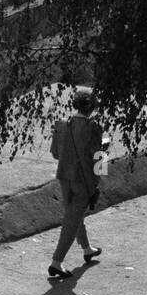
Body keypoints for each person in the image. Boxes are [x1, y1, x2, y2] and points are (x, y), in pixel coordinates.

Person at [48, 88, 105, 278]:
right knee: (72, 220)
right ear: (91, 108)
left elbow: (55, 153)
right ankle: (56, 263)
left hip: (64, 176)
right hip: (83, 181)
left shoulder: (62, 124)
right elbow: (97, 157)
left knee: (73, 214)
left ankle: (87, 249)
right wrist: (99, 178)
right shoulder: (94, 127)